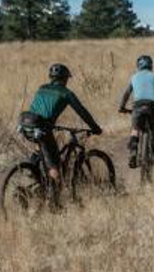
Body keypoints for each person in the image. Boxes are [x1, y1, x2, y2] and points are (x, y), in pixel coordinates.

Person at [18, 63, 102, 207]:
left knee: (42, 149)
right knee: (55, 165)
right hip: (42, 128)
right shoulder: (66, 93)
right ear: (65, 79)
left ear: (51, 77)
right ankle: (54, 204)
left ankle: (34, 171)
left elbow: (40, 108)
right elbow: (82, 112)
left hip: (26, 125)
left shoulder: (42, 88)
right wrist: (95, 127)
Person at [119, 55, 154, 169]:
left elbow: (126, 94)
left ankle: (133, 153)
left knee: (135, 129)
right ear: (151, 65)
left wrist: (121, 107)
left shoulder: (134, 77)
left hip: (138, 106)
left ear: (138, 66)